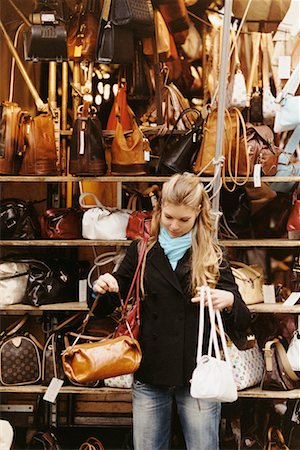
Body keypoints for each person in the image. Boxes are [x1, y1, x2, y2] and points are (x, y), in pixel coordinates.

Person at [91, 173, 251, 450]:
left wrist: (228, 300)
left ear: (198, 213)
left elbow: (243, 316)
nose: (175, 226)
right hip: (151, 369)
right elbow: (107, 304)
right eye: (169, 217)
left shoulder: (211, 253)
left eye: (183, 219)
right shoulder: (141, 250)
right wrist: (103, 287)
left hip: (198, 371)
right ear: (159, 210)